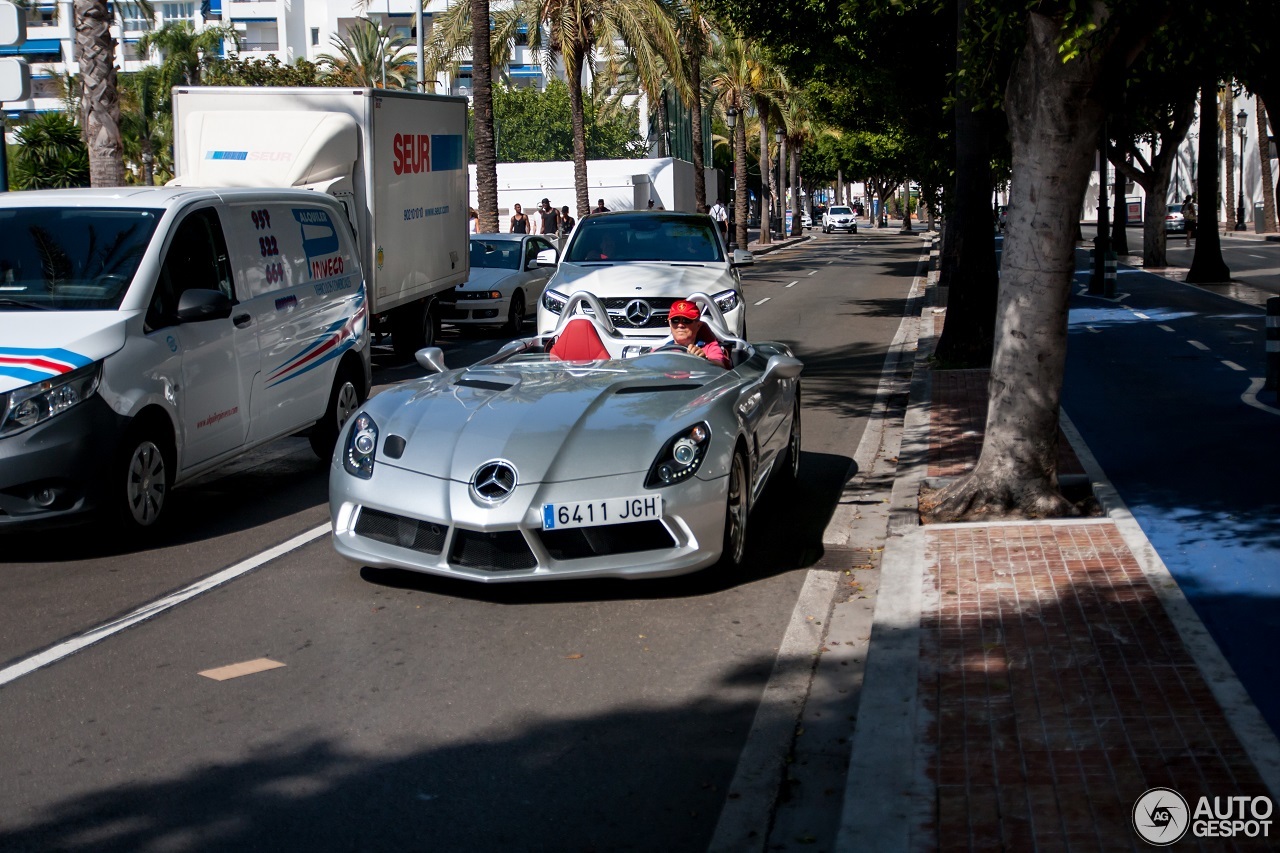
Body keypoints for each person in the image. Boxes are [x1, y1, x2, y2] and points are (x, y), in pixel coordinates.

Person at [666, 299, 730, 368]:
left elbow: (720, 366)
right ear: (670, 324)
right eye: (675, 320)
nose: (680, 325)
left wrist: (704, 360)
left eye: (687, 320)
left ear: (698, 325)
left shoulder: (709, 347)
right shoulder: (663, 350)